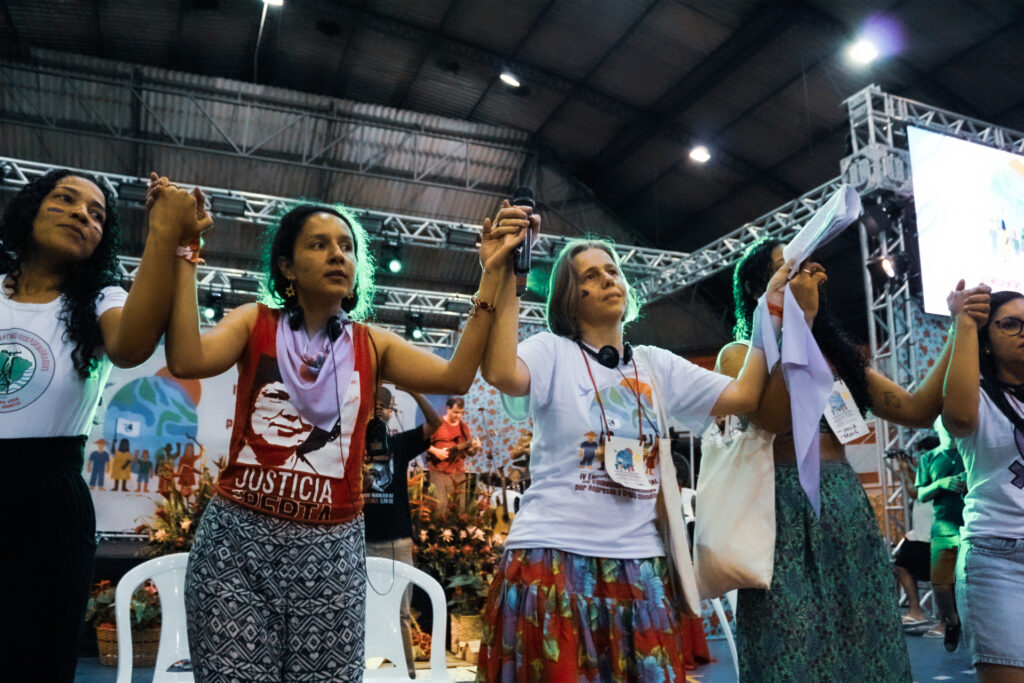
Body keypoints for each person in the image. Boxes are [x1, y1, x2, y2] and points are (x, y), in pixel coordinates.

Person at [167, 195, 531, 681]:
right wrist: (186, 254)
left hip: (331, 552)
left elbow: (457, 377)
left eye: (346, 247)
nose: (339, 255)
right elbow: (188, 360)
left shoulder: (371, 343)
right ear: (287, 267)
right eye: (319, 245)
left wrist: (490, 273)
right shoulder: (255, 323)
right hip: (237, 549)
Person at [476, 215, 778, 681]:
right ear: (571, 302)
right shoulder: (552, 351)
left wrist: (767, 317)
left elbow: (744, 397)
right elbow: (499, 372)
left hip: (641, 566)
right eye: (591, 276)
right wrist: (505, 276)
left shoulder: (658, 365)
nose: (608, 279)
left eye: (612, 270)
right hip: (551, 557)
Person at [722, 239, 988, 682]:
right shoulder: (739, 355)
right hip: (779, 510)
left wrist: (959, 327)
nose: (808, 274)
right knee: (789, 642)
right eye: (791, 269)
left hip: (845, 509)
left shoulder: (839, 361)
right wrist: (799, 323)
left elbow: (918, 409)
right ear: (758, 288)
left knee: (864, 637)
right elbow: (771, 419)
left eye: (809, 265)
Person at [0, 168, 208, 681]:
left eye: (96, 214)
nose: (80, 215)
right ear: (29, 210)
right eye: (65, 200)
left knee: (34, 658)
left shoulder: (102, 299)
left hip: (47, 502)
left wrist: (164, 231)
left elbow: (133, 347)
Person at [942, 287, 1024, 683]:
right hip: (997, 559)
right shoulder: (976, 396)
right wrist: (963, 324)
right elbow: (957, 420)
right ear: (987, 340)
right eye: (1011, 324)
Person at [363, 384, 441, 678]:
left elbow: (436, 425)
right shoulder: (352, 443)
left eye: (385, 405)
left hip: (397, 540)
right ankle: (359, 671)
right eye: (374, 404)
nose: (379, 409)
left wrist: (416, 391)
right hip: (362, 542)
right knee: (362, 611)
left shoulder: (399, 444)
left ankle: (408, 674)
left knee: (402, 612)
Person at [915, 420, 966, 647]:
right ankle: (952, 621)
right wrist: (942, 483)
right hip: (944, 528)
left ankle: (974, 629)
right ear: (937, 427)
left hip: (973, 526)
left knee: (975, 584)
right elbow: (921, 494)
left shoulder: (969, 451)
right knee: (941, 586)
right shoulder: (928, 458)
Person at [892, 438, 936, 633]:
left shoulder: (940, 469)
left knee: (941, 581)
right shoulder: (928, 471)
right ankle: (915, 612)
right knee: (901, 566)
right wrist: (907, 468)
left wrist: (905, 471)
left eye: (922, 453)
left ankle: (945, 621)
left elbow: (915, 492)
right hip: (920, 535)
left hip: (932, 536)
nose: (917, 458)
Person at [427, 396, 480, 511]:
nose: (458, 416)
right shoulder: (436, 423)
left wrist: (475, 448)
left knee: (458, 508)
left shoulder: (463, 427)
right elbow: (422, 443)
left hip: (458, 472)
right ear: (448, 408)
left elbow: (469, 452)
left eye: (461, 413)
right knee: (440, 507)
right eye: (455, 412)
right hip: (438, 470)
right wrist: (436, 451)